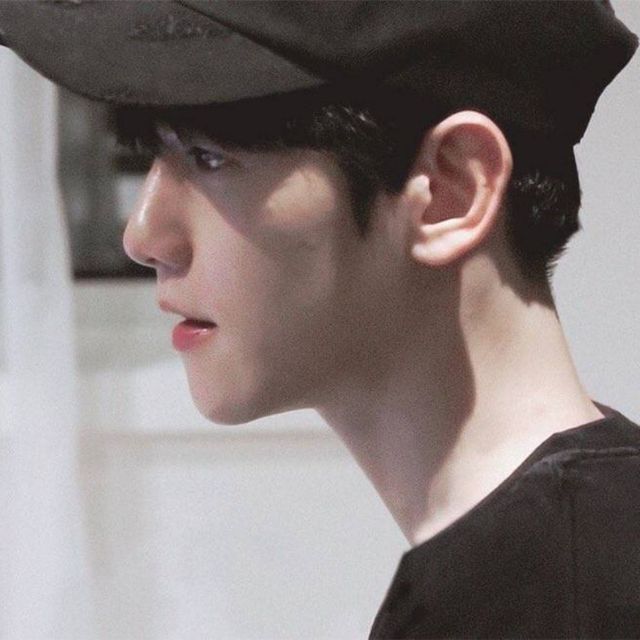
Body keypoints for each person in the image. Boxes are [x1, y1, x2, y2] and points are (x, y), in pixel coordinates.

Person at [1, 1, 638, 637]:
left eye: (210, 156)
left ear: (452, 191)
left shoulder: (554, 600)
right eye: (152, 155)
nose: (143, 237)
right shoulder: (567, 559)